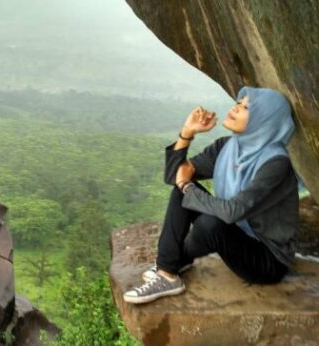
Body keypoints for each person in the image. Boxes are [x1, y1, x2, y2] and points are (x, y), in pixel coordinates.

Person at [123, 86, 299, 304]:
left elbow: (232, 212)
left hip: (267, 260)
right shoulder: (227, 147)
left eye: (246, 108)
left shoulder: (276, 163)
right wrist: (187, 133)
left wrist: (187, 186)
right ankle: (168, 270)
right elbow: (174, 177)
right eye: (238, 102)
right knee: (182, 193)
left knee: (209, 221)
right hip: (237, 235)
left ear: (264, 120)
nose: (235, 108)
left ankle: (170, 267)